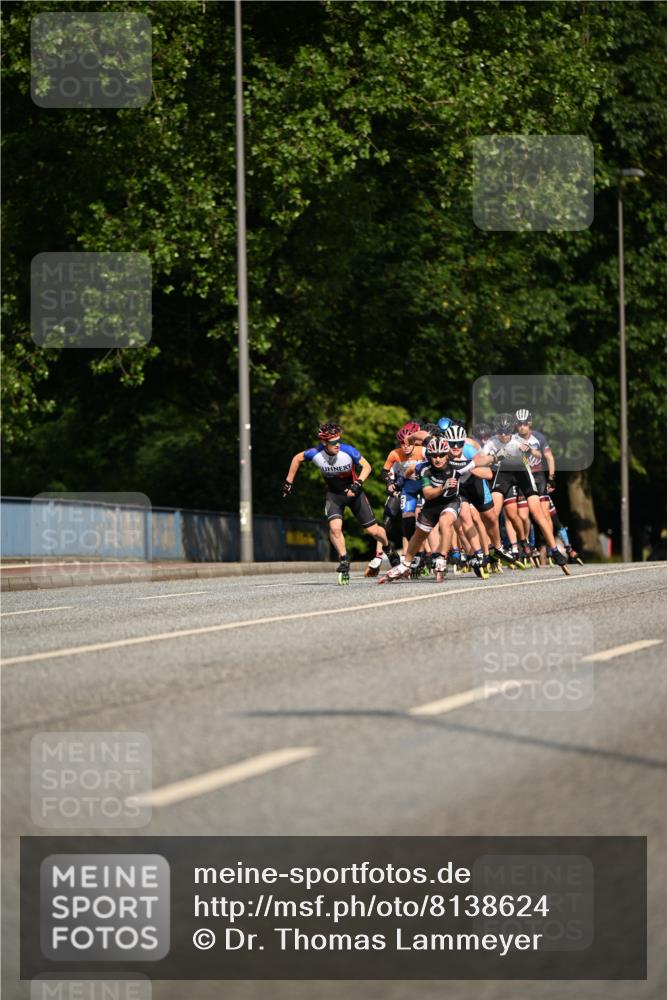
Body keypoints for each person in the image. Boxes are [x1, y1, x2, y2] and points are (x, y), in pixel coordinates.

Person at [282, 422, 400, 583]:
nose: (337, 444)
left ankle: (388, 548)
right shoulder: (315, 453)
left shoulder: (348, 451)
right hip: (334, 495)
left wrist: (357, 484)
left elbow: (367, 467)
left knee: (373, 531)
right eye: (332, 442)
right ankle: (344, 560)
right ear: (324, 443)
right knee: (335, 528)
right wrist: (289, 482)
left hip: (354, 494)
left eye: (338, 440)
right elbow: (296, 459)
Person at [379, 435, 487, 584]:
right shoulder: (424, 468)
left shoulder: (456, 465)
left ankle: (442, 558)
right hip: (432, 504)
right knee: (419, 534)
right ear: (429, 456)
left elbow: (479, 461)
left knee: (445, 522)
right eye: (434, 455)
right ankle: (405, 564)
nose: (438, 459)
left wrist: (496, 457)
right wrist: (401, 481)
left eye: (442, 455)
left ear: (446, 455)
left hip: (451, 502)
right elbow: (428, 494)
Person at [482, 414, 568, 572]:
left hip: (522, 474)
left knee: (537, 513)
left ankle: (554, 550)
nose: (503, 436)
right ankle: (495, 548)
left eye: (506, 432)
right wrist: (494, 457)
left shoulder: (517, 440)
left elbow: (539, 455)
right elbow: (481, 459)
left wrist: (528, 450)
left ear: (511, 430)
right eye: (500, 432)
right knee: (492, 513)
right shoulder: (492, 442)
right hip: (504, 474)